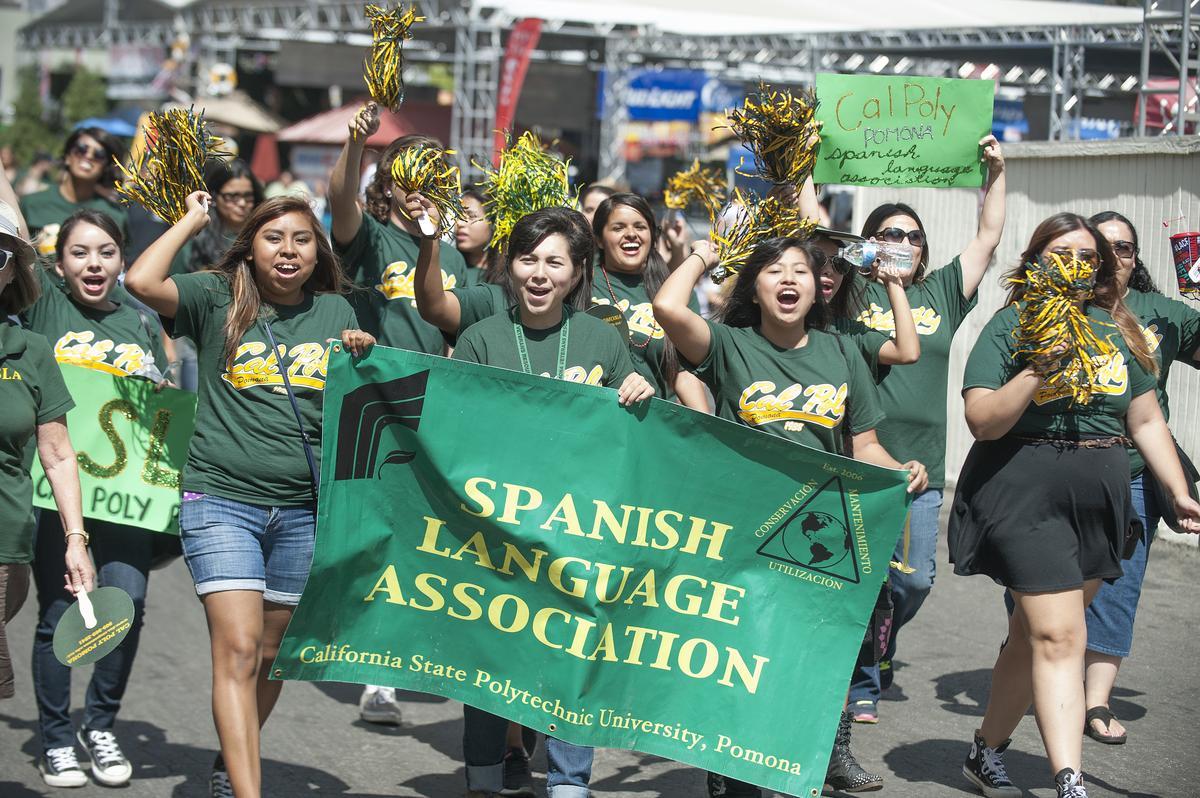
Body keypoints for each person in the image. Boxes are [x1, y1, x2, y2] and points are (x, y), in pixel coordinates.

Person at [653, 235, 928, 798]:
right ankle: (728, 760)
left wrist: (902, 470)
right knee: (744, 647)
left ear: (816, 286)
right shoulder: (729, 345)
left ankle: (831, 752)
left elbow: (865, 445)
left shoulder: (843, 351)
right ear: (753, 286)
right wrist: (706, 254)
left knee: (824, 649)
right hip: (747, 527)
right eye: (774, 270)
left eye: (800, 271)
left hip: (823, 528)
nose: (788, 280)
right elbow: (667, 309)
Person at [125, 190, 374, 798]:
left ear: (319, 252)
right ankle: (247, 790)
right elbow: (139, 279)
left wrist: (362, 357)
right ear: (251, 246)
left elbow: (364, 409)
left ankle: (229, 761)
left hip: (303, 511)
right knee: (236, 648)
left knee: (270, 654)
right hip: (221, 500)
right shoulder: (215, 296)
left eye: (302, 239)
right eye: (274, 238)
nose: (288, 250)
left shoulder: (340, 313)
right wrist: (191, 218)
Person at [950, 213, 1200, 798]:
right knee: (1063, 638)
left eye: (1089, 257)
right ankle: (1071, 781)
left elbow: (1145, 419)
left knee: (1031, 635)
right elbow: (982, 421)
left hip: (1100, 497)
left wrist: (1180, 491)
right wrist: (1040, 366)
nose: (1077, 265)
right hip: (1025, 490)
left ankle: (985, 750)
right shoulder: (1010, 325)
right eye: (1062, 252)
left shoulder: (1116, 328)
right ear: (1036, 259)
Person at [421, 199, 652, 798]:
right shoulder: (479, 338)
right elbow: (450, 429)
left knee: (573, 656)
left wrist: (638, 386)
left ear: (578, 272)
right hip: (494, 530)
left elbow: (635, 436)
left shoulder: (602, 341)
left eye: (556, 261)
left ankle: (570, 783)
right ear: (510, 267)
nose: (540, 273)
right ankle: (484, 778)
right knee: (488, 659)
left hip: (579, 531)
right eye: (528, 259)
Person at [837, 136, 1006, 722]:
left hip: (921, 466)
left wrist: (995, 175)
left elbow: (988, 237)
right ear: (870, 245)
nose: (904, 243)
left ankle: (882, 643)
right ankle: (861, 682)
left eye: (913, 236)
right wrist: (803, 160)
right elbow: (811, 225)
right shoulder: (851, 292)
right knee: (861, 577)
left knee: (912, 584)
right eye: (891, 234)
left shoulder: (942, 292)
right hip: (856, 455)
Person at [20, 210, 166, 788]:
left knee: (126, 607)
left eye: (106, 252)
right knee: (59, 614)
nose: (94, 264)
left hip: (126, 495)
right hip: (57, 493)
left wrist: (158, 389)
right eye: (79, 253)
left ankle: (99, 725)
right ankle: (56, 738)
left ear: (122, 259)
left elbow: (158, 410)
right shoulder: (47, 308)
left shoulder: (137, 320)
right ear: (59, 265)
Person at [1078, 210, 1200, 745]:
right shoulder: (1052, 309)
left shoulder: (1160, 313)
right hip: (1055, 470)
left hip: (1130, 471)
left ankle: (1096, 702)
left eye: (1124, 248)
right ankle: (1037, 664)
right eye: (1101, 247)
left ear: (1135, 259)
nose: (1112, 258)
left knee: (1119, 585)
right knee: (1039, 585)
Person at [0, 200, 96, 721]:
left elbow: (57, 454)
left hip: (6, 536)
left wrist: (75, 541)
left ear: (14, 269)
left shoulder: (32, 350)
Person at [330, 102, 469, 360]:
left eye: (433, 177)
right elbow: (340, 200)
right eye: (411, 174)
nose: (422, 185)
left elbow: (454, 339)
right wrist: (356, 141)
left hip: (425, 389)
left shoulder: (453, 258)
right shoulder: (369, 236)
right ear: (387, 186)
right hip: (368, 383)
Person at [591, 193, 709, 410]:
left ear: (653, 236)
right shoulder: (581, 283)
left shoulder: (675, 291)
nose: (631, 234)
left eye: (640, 227)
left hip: (652, 425)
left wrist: (706, 430)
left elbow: (684, 374)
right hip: (594, 417)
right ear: (599, 238)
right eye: (618, 228)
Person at [19, 128, 128, 257]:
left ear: (106, 167)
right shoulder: (31, 204)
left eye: (99, 155)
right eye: (81, 149)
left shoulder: (115, 215)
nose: (88, 156)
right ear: (67, 157)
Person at [456, 188, 497, 285]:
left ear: (494, 223)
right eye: (458, 216)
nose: (459, 223)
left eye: (472, 216)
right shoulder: (446, 266)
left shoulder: (510, 275)